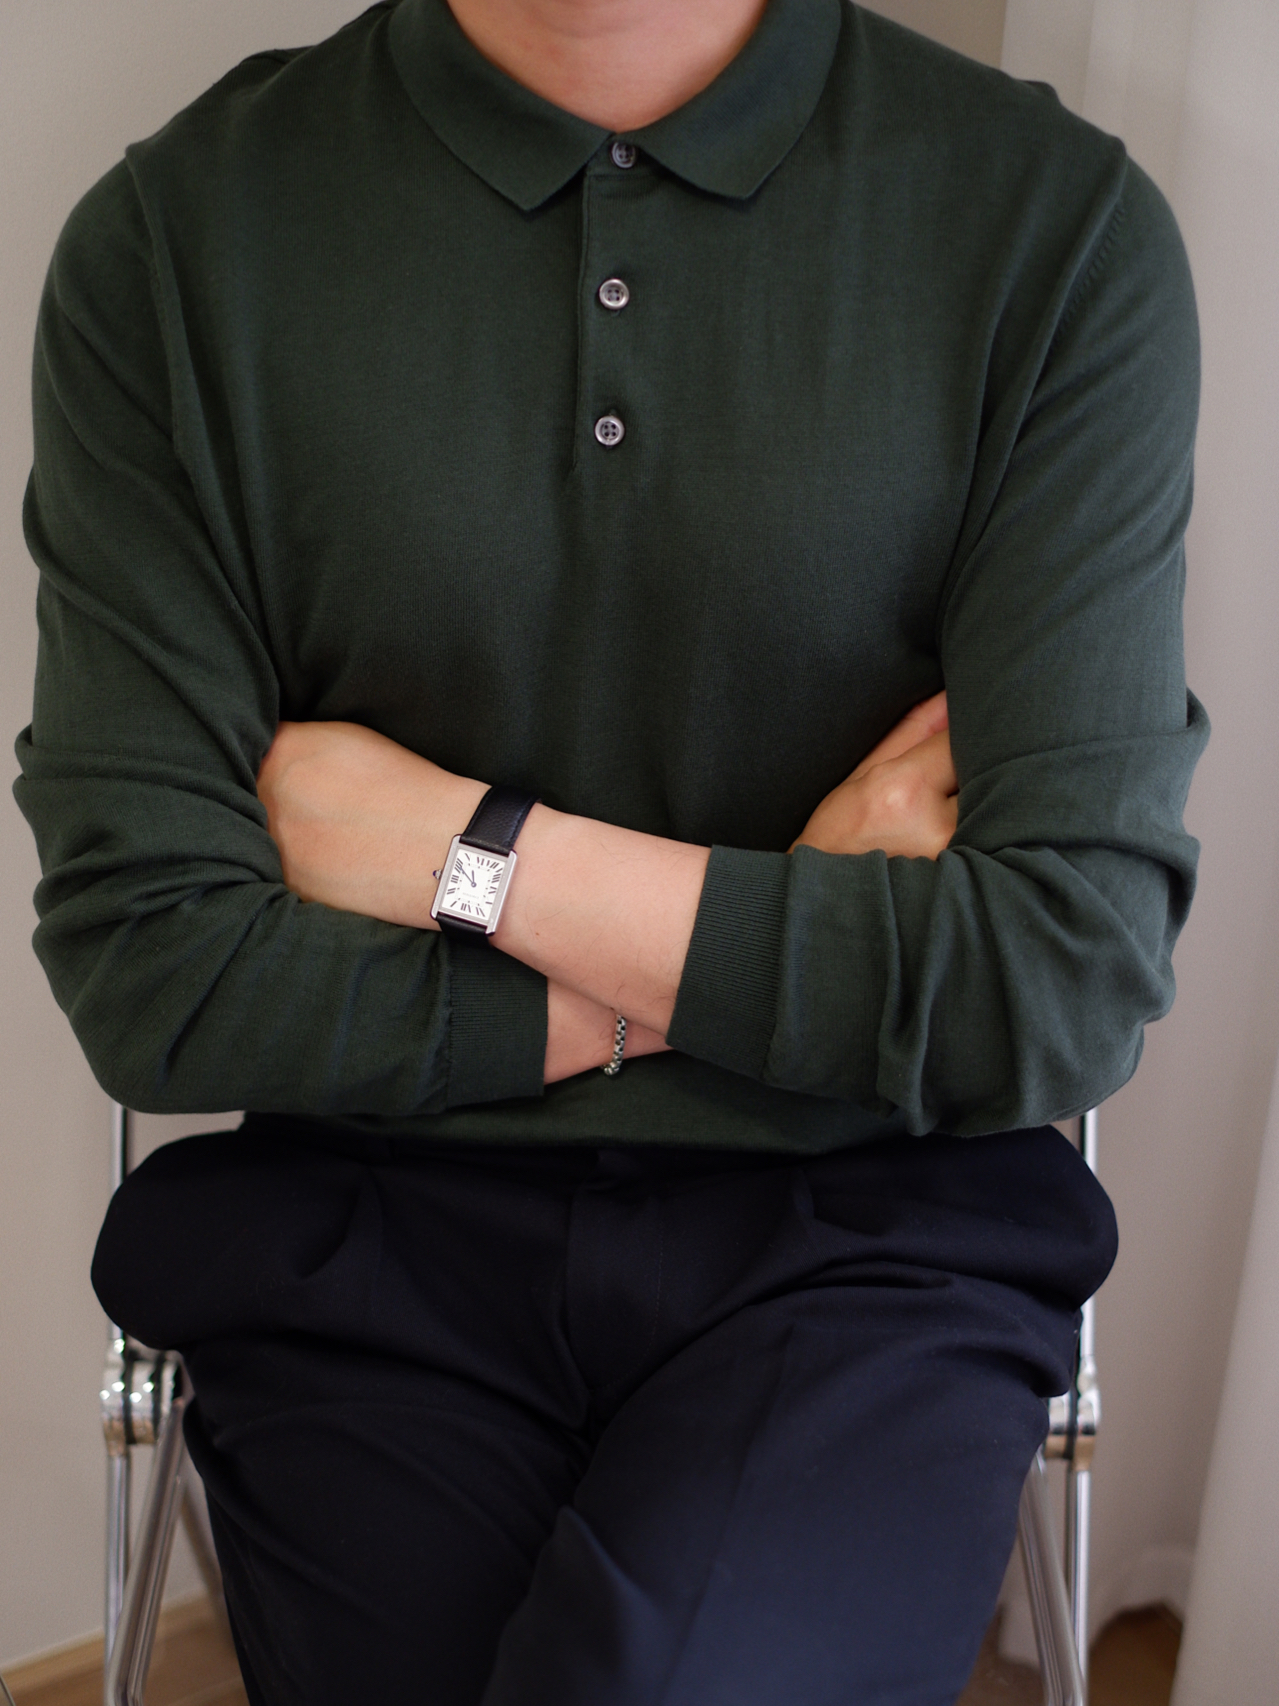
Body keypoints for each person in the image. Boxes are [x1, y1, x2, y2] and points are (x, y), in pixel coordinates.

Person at [15, 0, 1206, 1701]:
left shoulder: (1055, 233)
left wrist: (471, 852)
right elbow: (156, 967)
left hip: (878, 1237)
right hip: (366, 1245)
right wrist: (788, 923)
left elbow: (1061, 975)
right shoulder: (177, 242)